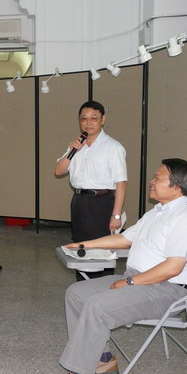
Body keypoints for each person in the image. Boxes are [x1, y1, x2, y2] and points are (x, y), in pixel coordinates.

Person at [43, 158, 187, 374]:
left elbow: (173, 268)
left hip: (167, 290)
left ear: (177, 187)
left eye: (157, 178)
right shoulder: (159, 212)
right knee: (77, 293)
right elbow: (124, 239)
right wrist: (82, 244)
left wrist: (130, 282)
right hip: (141, 280)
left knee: (97, 306)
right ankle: (102, 359)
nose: (151, 182)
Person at [55, 100, 127, 280]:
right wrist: (72, 151)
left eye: (94, 118)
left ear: (102, 120)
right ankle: (82, 288)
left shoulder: (113, 147)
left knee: (101, 251)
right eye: (84, 119)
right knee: (81, 249)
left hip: (101, 203)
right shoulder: (76, 145)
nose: (88, 123)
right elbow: (58, 171)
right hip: (79, 201)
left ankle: (102, 292)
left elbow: (121, 183)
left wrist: (116, 216)